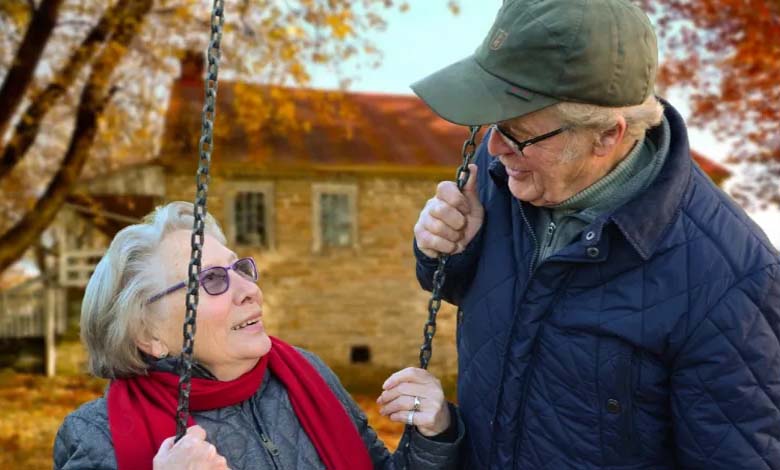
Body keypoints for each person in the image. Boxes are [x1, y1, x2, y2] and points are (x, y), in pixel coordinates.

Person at [411, 0, 780, 468]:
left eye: (517, 132)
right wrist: (444, 251)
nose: (496, 147)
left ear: (606, 136)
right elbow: (477, 293)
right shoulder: (502, 170)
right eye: (492, 127)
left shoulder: (733, 281)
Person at [54, 201, 463, 470]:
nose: (249, 289)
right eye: (212, 280)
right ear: (148, 334)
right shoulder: (96, 435)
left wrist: (434, 435)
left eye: (240, 269)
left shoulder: (306, 375)